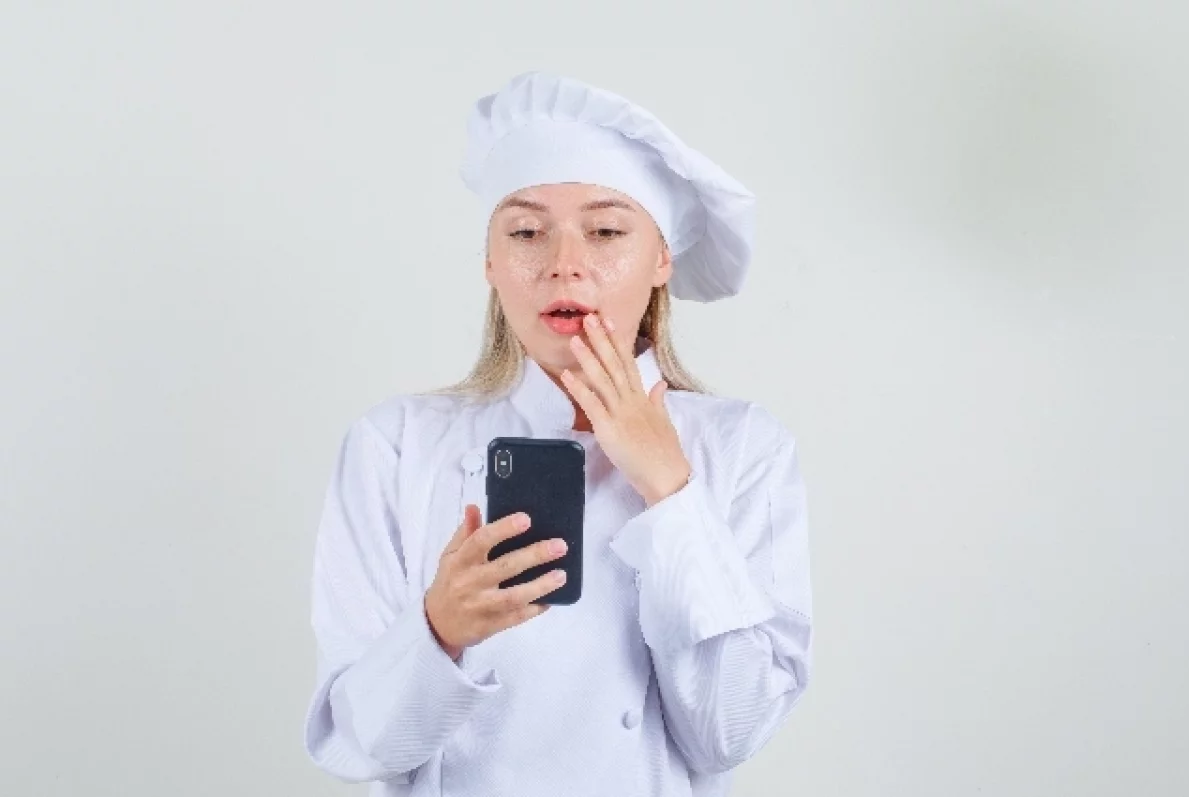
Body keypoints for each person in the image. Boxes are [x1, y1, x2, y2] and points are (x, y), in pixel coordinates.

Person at [302, 70, 813, 797]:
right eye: (525, 232)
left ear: (661, 258)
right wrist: (439, 630)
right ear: (490, 260)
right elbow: (358, 748)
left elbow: (732, 731)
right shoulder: (395, 445)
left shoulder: (742, 448)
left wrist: (671, 494)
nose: (564, 264)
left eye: (605, 231)